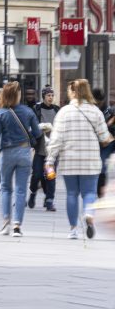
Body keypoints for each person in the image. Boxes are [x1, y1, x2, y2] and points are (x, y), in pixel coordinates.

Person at [46, 79, 111, 239]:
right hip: (90, 160)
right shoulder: (95, 111)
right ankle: (88, 214)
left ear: (72, 92)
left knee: (72, 194)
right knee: (89, 193)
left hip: (69, 161)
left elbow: (56, 139)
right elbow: (104, 136)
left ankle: (73, 229)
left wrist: (50, 160)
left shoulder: (64, 112)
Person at [0, 81, 42, 238]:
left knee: (5, 188)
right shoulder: (28, 111)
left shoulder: (0, 113)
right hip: (24, 152)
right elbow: (37, 133)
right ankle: (17, 225)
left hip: (7, 153)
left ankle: (5, 223)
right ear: (17, 95)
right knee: (21, 189)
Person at [28, 86, 59, 211]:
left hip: (52, 150)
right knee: (36, 175)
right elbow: (32, 125)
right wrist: (41, 127)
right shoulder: (37, 109)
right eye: (48, 95)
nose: (50, 97)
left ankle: (49, 200)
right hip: (40, 149)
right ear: (44, 96)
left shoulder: (57, 110)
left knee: (50, 176)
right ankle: (33, 193)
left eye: (52, 95)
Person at [92, 88, 115, 198]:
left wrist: (108, 126)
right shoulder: (91, 110)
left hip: (105, 143)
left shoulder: (108, 111)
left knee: (101, 167)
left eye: (100, 100)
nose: (99, 103)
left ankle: (100, 193)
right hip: (94, 142)